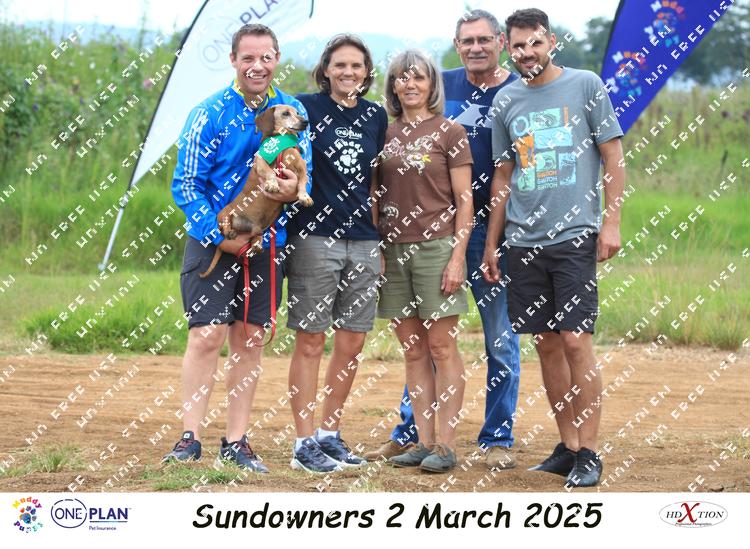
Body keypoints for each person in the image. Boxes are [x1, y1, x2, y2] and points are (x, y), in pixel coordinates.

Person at [364, 9, 521, 470]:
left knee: (497, 339)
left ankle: (495, 437)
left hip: (484, 229)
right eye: (467, 41)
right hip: (404, 243)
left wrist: (471, 246)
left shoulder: (518, 90)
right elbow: (376, 189)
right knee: (418, 347)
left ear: (501, 43)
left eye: (484, 40)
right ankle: (415, 435)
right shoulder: (435, 88)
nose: (475, 47)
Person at [482, 8, 625, 488]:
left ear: (552, 42)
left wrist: (611, 222)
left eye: (535, 43)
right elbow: (503, 176)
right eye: (518, 46)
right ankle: (568, 445)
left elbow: (613, 155)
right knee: (545, 344)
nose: (527, 53)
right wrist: (493, 243)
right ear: (508, 48)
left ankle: (590, 451)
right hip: (522, 241)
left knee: (575, 340)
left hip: (574, 235)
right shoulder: (506, 100)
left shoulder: (586, 85)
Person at [164, 23, 312, 472]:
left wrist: (290, 189)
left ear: (277, 59)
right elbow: (185, 184)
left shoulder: (293, 112)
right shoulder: (207, 113)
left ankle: (236, 441)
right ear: (233, 60)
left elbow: (303, 175)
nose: (257, 66)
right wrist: (220, 237)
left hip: (266, 241)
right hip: (212, 238)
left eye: (265, 57)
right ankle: (189, 438)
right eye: (248, 57)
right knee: (206, 335)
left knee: (249, 339)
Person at [285, 34, 388, 473]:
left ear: (367, 73)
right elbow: (281, 156)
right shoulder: (304, 108)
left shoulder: (375, 115)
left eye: (356, 66)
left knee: (353, 340)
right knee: (311, 339)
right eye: (340, 65)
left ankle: (330, 434)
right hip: (314, 236)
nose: (348, 72)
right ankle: (303, 441)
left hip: (363, 239)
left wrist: (379, 238)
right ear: (326, 69)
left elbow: (376, 182)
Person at [375, 49, 473, 473]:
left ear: (432, 84)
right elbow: (373, 195)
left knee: (440, 346)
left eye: (418, 77)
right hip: (393, 250)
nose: (409, 84)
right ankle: (423, 441)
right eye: (402, 78)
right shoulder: (383, 132)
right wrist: (377, 248)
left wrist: (457, 257)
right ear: (393, 86)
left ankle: (446, 445)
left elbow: (465, 201)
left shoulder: (450, 132)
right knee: (413, 350)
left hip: (437, 247)